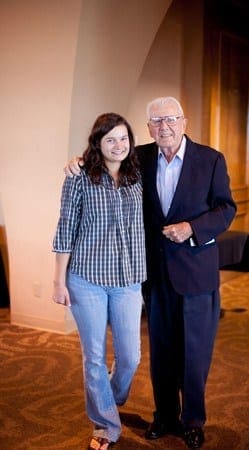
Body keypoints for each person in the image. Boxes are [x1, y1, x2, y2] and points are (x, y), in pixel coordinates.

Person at [64, 97, 236, 449]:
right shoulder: (139, 158)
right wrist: (78, 161)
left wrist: (192, 227)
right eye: (156, 121)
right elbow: (105, 157)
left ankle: (192, 420)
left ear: (184, 122)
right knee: (160, 351)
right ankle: (165, 416)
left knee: (194, 353)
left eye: (171, 119)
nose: (164, 127)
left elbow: (226, 208)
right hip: (154, 275)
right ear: (148, 128)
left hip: (196, 274)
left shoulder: (210, 160)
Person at [52, 113, 146, 450]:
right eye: (110, 140)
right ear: (97, 143)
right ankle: (105, 426)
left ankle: (110, 396)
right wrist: (58, 282)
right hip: (86, 279)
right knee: (93, 357)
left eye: (124, 138)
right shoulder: (79, 177)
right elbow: (66, 228)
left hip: (128, 281)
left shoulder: (138, 173)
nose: (118, 145)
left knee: (131, 357)